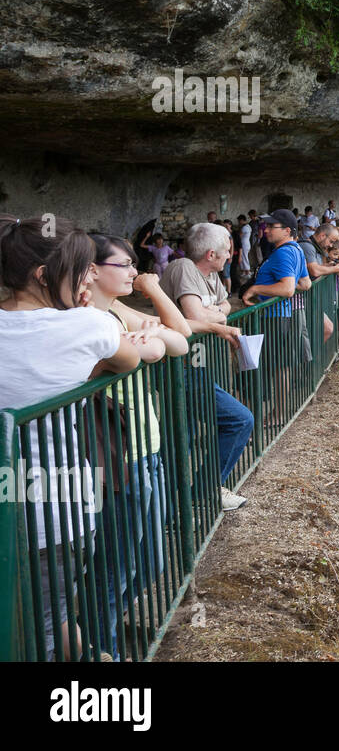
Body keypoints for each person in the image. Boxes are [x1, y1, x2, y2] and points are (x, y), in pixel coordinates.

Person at [0, 216, 150, 660]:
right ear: (45, 275)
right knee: (46, 624)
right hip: (57, 513)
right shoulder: (89, 326)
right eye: (83, 269)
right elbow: (129, 360)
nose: (89, 279)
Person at [86, 233, 190, 660]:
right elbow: (145, 353)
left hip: (148, 448)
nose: (134, 271)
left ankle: (97, 635)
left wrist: (151, 320)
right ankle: (100, 647)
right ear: (92, 270)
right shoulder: (85, 317)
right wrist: (147, 337)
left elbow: (181, 337)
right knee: (116, 568)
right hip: (119, 459)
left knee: (150, 564)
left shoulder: (114, 309)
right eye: (124, 265)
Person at [160, 223, 254, 511]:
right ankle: (202, 492)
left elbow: (226, 306)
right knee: (239, 420)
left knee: (181, 440)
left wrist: (212, 315)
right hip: (179, 367)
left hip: (195, 366)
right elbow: (195, 315)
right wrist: (213, 317)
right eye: (227, 251)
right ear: (211, 253)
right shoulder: (183, 267)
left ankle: (178, 507)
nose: (230, 256)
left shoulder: (211, 275)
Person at [242, 209, 311, 427]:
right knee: (281, 366)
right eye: (267, 226)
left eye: (272, 227)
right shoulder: (295, 250)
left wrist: (255, 289)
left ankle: (277, 415)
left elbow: (288, 289)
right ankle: (279, 412)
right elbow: (305, 284)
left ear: (287, 230)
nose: (267, 230)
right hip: (282, 316)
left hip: (274, 318)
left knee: (271, 368)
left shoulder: (283, 253)